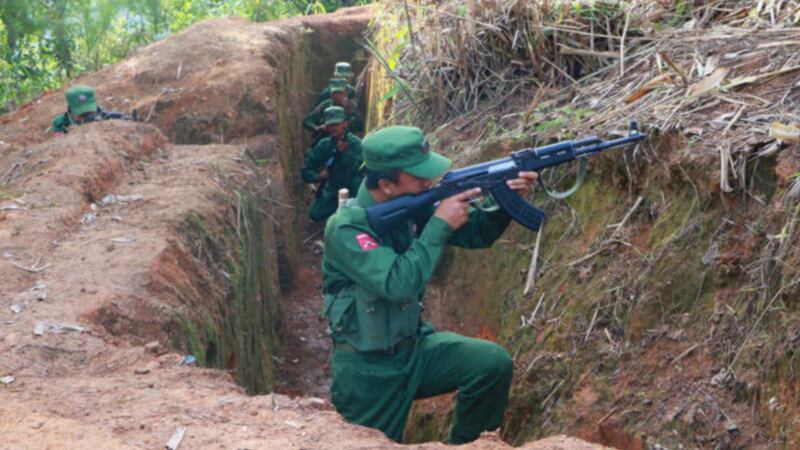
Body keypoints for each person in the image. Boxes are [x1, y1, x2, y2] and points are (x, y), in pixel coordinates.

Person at [321, 125, 538, 444]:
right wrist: (438, 225)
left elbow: (476, 233)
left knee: (491, 364)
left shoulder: (415, 204)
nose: (429, 182)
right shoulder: (346, 228)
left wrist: (507, 201)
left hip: (414, 351)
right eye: (419, 177)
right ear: (386, 184)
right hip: (368, 373)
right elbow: (398, 283)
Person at [300, 106, 364, 222]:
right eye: (330, 125)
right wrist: (318, 176)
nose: (333, 128)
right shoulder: (324, 145)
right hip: (333, 188)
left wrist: (345, 154)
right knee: (315, 214)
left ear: (344, 124)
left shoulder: (356, 144)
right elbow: (306, 170)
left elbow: (361, 168)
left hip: (353, 187)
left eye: (336, 124)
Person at [51, 85, 136, 133]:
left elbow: (111, 116)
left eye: (89, 112)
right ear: (70, 110)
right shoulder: (61, 123)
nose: (86, 117)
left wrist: (127, 118)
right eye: (81, 114)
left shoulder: (103, 116)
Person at [304, 79, 363, 143]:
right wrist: (317, 128)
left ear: (346, 93)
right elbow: (307, 120)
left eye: (340, 93)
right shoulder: (325, 105)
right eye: (334, 92)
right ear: (331, 93)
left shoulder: (352, 106)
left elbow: (360, 126)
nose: (337, 96)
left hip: (347, 141)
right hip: (326, 140)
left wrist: (349, 111)